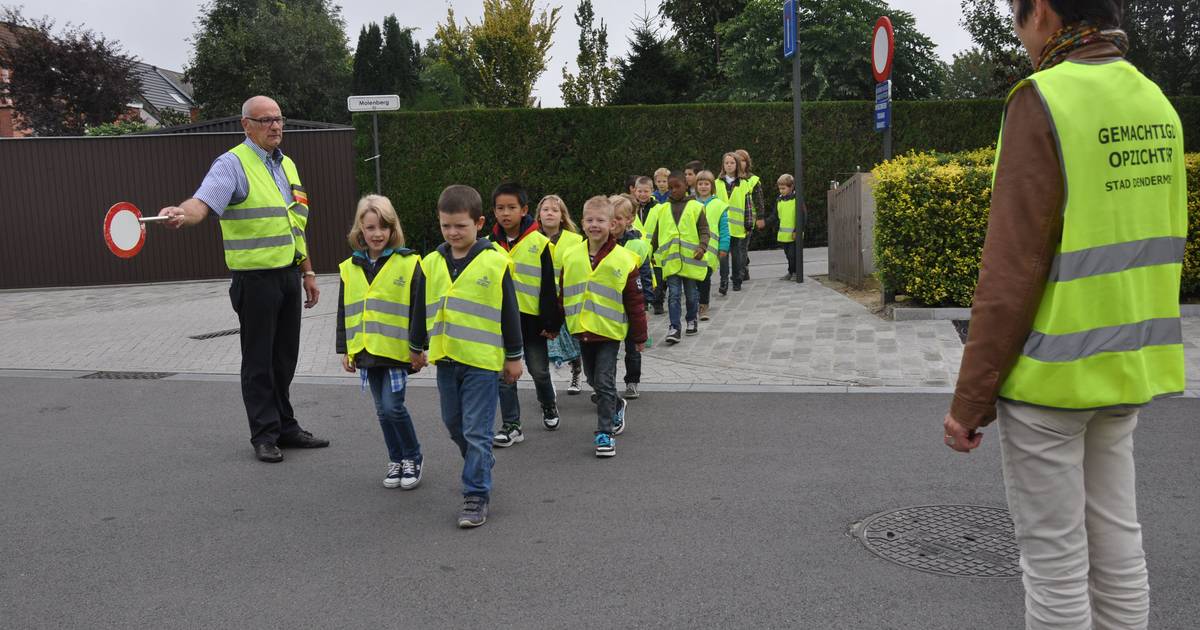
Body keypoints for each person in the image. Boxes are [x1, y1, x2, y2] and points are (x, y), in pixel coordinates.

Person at [943, 1, 1186, 627]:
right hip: (1128, 364)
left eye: (1017, 14)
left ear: (1043, 12)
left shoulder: (1043, 98)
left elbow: (1011, 268)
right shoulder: (1154, 101)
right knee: (1118, 545)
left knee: (1054, 566)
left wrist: (970, 402)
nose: (1018, 31)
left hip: (1051, 376)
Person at [157, 95, 329, 463]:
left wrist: (308, 272)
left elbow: (295, 226)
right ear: (246, 125)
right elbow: (202, 203)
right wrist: (181, 214)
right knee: (258, 362)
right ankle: (264, 434)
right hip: (255, 282)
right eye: (265, 120)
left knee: (284, 359)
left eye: (278, 119)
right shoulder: (231, 164)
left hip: (288, 276)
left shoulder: (287, 166)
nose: (275, 126)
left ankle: (286, 426)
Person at [423, 185, 524, 528]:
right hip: (446, 360)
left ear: (479, 223)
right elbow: (419, 309)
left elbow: (510, 313)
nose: (453, 232)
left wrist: (514, 357)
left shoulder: (495, 262)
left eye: (460, 226)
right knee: (454, 424)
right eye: (446, 226)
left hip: (482, 363)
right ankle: (480, 463)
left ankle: (476, 494)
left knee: (477, 432)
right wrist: (415, 347)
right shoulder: (431, 262)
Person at [336, 195, 425, 490]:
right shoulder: (349, 267)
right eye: (371, 227)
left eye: (384, 227)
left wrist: (418, 348)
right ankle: (396, 459)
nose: (377, 234)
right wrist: (345, 350)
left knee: (392, 407)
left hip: (397, 351)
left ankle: (413, 456)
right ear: (360, 228)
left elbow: (418, 308)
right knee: (381, 410)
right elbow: (344, 311)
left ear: (392, 228)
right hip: (365, 350)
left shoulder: (408, 262)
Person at [559, 196, 647, 457]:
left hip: (609, 332)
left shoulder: (625, 259)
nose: (594, 225)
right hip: (582, 330)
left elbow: (635, 302)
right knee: (592, 379)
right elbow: (562, 293)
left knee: (604, 380)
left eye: (600, 220)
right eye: (589, 220)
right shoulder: (571, 256)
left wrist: (639, 336)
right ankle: (616, 405)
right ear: (582, 222)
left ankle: (604, 433)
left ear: (612, 224)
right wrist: (553, 324)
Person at [489, 183, 563, 446]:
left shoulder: (540, 243)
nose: (505, 213)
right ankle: (512, 425)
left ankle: (548, 403)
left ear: (524, 210)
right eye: (500, 208)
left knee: (539, 371)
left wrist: (552, 322)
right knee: (505, 375)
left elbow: (549, 286)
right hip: (501, 322)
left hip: (532, 321)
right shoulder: (488, 245)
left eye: (511, 207)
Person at [644, 171, 710, 344]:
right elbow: (656, 235)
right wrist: (650, 254)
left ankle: (691, 319)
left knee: (691, 294)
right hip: (671, 262)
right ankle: (674, 327)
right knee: (673, 294)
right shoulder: (663, 209)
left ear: (686, 186)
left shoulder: (696, 207)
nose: (673, 190)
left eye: (677, 186)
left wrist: (702, 247)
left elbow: (704, 230)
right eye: (670, 187)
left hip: (690, 261)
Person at [536, 195, 585, 395]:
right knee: (545, 343)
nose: (550, 213)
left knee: (572, 341)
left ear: (562, 216)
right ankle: (548, 384)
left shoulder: (575, 240)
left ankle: (576, 371)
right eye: (546, 209)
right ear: (539, 215)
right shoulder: (531, 240)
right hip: (541, 301)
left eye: (555, 210)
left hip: (567, 300)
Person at [609, 195, 654, 400]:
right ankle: (606, 385)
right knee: (607, 349)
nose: (614, 222)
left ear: (629, 220)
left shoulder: (637, 245)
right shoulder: (599, 242)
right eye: (610, 217)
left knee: (632, 347)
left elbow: (645, 276)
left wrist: (646, 303)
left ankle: (632, 381)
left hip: (631, 305)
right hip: (608, 304)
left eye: (619, 218)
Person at [694, 170, 730, 320]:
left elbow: (724, 229)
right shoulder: (691, 204)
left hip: (710, 250)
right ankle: (694, 303)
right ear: (696, 186)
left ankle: (703, 305)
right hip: (693, 248)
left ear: (712, 186)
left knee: (705, 278)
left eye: (706, 184)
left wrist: (724, 247)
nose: (703, 187)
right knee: (694, 278)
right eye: (700, 184)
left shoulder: (719, 205)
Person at [715, 152, 751, 293]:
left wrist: (748, 223)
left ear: (737, 165)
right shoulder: (716, 183)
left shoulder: (744, 184)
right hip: (722, 226)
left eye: (732, 163)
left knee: (737, 255)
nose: (729, 165)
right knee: (723, 254)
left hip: (737, 226)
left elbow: (748, 205)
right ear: (723, 165)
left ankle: (737, 279)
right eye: (726, 163)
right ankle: (723, 281)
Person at [633, 176, 665, 314]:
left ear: (652, 191)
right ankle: (644, 303)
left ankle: (658, 303)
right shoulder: (630, 208)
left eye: (646, 191)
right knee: (641, 279)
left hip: (656, 251)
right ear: (635, 191)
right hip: (638, 252)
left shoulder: (659, 208)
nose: (642, 194)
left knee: (658, 279)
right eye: (639, 191)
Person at [735, 149, 765, 281]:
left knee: (741, 246)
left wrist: (760, 217)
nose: (740, 163)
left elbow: (759, 200)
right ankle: (744, 267)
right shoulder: (729, 180)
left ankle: (740, 273)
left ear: (747, 163)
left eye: (743, 160)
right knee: (735, 248)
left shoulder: (753, 180)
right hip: (732, 220)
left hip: (747, 219)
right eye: (738, 160)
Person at [774, 174, 798, 281]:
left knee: (793, 255)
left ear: (791, 187)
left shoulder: (797, 199)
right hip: (784, 235)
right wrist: (765, 222)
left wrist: (797, 230)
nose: (781, 191)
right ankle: (791, 272)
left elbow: (803, 216)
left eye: (783, 188)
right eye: (780, 188)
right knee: (788, 255)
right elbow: (775, 215)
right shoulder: (779, 200)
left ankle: (796, 273)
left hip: (794, 234)